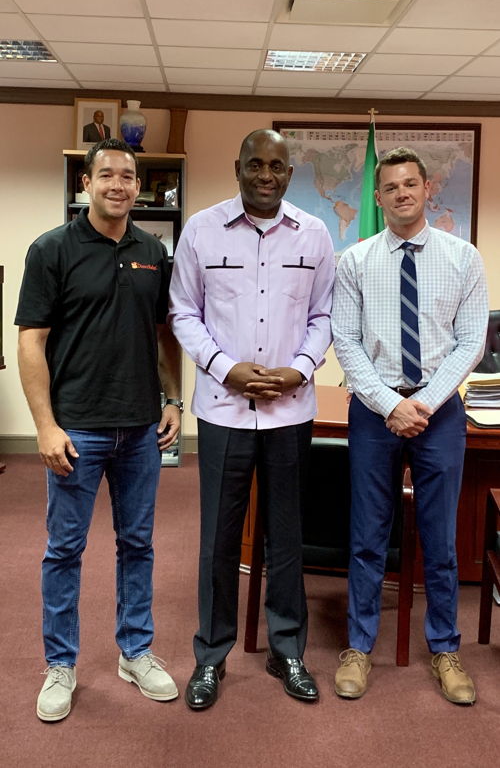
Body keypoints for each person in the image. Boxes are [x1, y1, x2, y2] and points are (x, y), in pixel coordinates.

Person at [15, 138, 182, 722]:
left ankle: (134, 651)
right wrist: (44, 426)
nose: (119, 185)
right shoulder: (52, 250)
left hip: (140, 430)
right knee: (65, 549)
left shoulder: (154, 251)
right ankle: (60, 663)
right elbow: (30, 342)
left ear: (141, 187)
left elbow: (165, 333)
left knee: (138, 545)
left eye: (129, 176)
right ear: (85, 183)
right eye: (106, 174)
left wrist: (173, 399)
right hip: (76, 431)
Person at [169, 128, 335, 709]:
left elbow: (324, 314)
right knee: (218, 537)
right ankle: (210, 654)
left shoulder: (315, 233)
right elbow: (183, 312)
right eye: (255, 165)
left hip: (290, 409)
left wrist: (300, 368)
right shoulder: (202, 229)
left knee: (287, 534)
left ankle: (287, 648)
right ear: (238, 167)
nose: (266, 175)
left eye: (277, 166)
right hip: (223, 409)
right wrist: (223, 367)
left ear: (290, 173)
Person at [331, 147, 488, 705]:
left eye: (410, 184)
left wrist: (423, 401)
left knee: (439, 539)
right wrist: (387, 404)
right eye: (390, 187)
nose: (401, 193)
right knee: (368, 535)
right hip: (375, 412)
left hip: (439, 412)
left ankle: (446, 649)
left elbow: (471, 341)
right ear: (376, 198)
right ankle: (359, 645)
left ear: (427, 190)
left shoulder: (463, 257)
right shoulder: (355, 261)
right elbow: (345, 341)